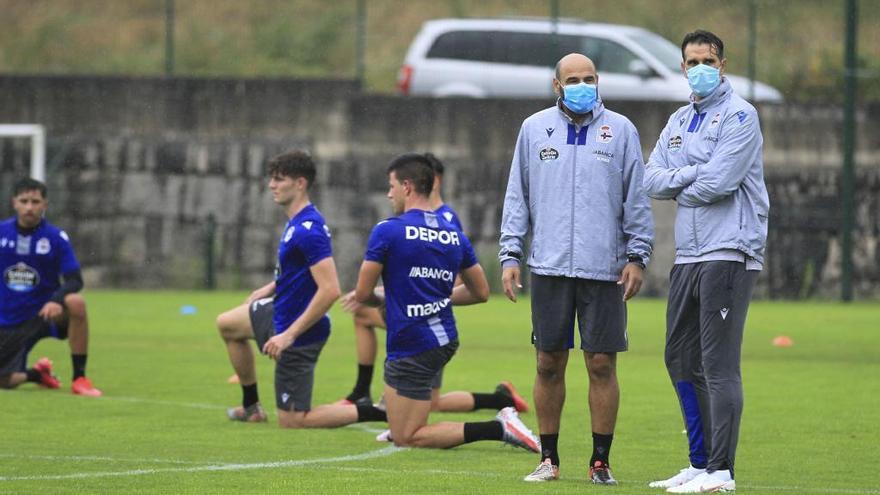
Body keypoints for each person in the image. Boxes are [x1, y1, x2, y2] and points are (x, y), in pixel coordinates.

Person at [499, 53, 654, 483]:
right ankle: (548, 459)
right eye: (573, 79)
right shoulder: (534, 129)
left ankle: (600, 461)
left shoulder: (620, 130)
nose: (582, 85)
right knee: (548, 361)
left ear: (598, 81)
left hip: (604, 269)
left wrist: (637, 256)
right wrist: (510, 254)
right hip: (548, 265)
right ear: (557, 85)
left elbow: (635, 199)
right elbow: (518, 195)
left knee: (601, 362)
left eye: (589, 78)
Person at [643, 30, 769, 494]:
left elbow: (720, 182)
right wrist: (691, 177)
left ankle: (722, 470)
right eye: (692, 60)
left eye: (708, 60)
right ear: (682, 66)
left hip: (729, 251)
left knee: (718, 364)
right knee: (679, 357)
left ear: (722, 63)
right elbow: (651, 179)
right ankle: (699, 463)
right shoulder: (677, 119)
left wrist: (682, 182)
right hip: (688, 254)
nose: (700, 68)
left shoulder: (741, 115)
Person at [352, 153, 539, 451]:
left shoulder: (387, 230)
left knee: (407, 436)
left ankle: (499, 427)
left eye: (391, 186)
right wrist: (435, 299)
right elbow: (480, 292)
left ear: (407, 186)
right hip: (443, 337)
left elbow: (362, 295)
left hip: (412, 340)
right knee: (406, 425)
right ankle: (498, 417)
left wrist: (380, 297)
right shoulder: (454, 234)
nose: (389, 193)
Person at [216, 150, 386, 428]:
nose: (272, 185)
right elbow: (300, 269)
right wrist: (271, 287)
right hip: (280, 310)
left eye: (279, 179)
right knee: (227, 325)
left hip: (300, 331)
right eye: (271, 178)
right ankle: (251, 408)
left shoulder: (309, 229)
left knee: (293, 420)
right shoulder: (297, 221)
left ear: (300, 183)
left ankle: (378, 411)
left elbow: (330, 289)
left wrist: (288, 336)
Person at [0, 177, 102, 396]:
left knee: (75, 302)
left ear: (45, 204)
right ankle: (37, 374)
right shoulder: (2, 233)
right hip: (8, 319)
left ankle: (80, 378)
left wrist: (55, 300)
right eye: (24, 200)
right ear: (14, 203)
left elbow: (75, 280)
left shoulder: (55, 237)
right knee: (4, 381)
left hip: (43, 315)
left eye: (35, 201)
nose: (29, 207)